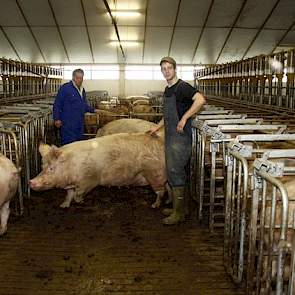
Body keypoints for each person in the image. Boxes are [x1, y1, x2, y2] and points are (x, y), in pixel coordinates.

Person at [149, 57, 206, 225]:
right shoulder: (168, 89)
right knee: (174, 171)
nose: (166, 71)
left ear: (175, 69)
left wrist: (185, 118)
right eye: (163, 69)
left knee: (176, 171)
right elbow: (167, 116)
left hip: (180, 138)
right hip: (170, 137)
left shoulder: (182, 87)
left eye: (169, 68)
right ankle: (179, 207)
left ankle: (178, 214)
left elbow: (201, 100)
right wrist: (157, 127)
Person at [53, 69, 98, 145]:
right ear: (73, 77)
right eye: (78, 78)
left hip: (79, 123)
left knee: (78, 145)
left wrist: (94, 110)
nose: (80, 80)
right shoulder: (65, 88)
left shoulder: (82, 90)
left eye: (81, 78)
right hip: (68, 124)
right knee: (68, 145)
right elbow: (57, 103)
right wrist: (56, 118)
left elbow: (83, 105)